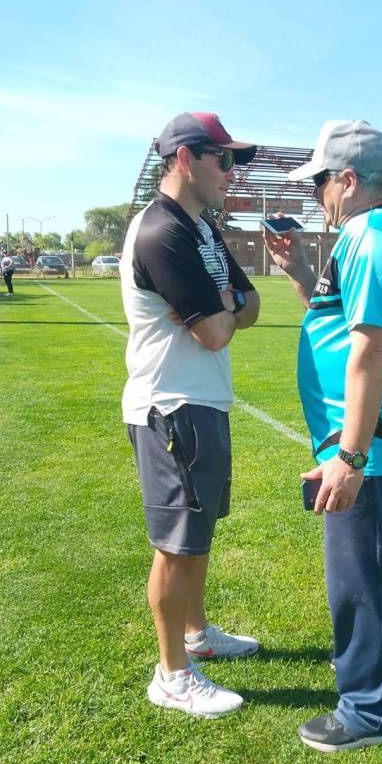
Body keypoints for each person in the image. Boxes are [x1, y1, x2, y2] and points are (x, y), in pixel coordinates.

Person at [263, 121, 382, 752]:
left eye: (321, 183)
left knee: (362, 571)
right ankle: (377, 677)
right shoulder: (371, 235)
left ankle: (370, 710)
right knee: (367, 565)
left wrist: (349, 458)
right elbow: (339, 321)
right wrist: (302, 270)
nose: (317, 197)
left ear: (349, 180)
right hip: (362, 436)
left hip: (369, 439)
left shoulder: (372, 237)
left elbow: (369, 351)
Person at [120, 111, 261, 719]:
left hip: (201, 400)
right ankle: (172, 674)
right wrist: (220, 310)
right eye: (224, 159)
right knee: (177, 544)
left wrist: (221, 305)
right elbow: (214, 333)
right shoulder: (161, 232)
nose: (233, 173)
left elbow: (246, 306)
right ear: (185, 159)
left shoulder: (201, 228)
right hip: (170, 405)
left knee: (197, 532)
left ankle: (196, 634)